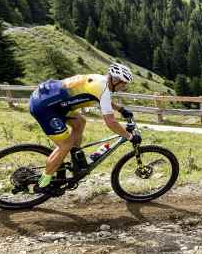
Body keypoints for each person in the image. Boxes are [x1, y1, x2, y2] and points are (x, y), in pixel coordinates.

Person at [28, 63, 139, 192]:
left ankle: (76, 159)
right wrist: (129, 136)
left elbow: (101, 98)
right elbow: (110, 122)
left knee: (80, 122)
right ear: (115, 80)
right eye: (123, 83)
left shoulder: (101, 80)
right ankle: (43, 183)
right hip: (45, 108)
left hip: (53, 102)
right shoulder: (103, 90)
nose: (124, 87)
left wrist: (120, 109)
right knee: (65, 145)